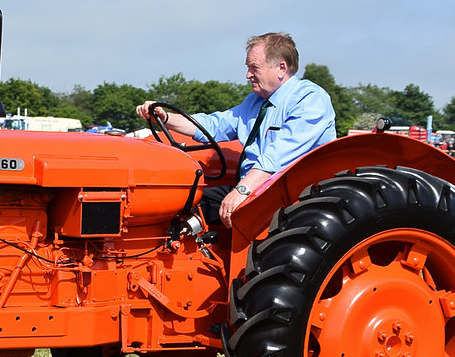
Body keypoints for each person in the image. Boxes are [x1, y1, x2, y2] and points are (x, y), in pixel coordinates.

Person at [136, 32, 335, 227]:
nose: (248, 75)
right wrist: (165, 117)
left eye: (254, 68)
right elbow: (214, 125)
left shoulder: (309, 99)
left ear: (281, 68)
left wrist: (242, 190)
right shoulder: (254, 102)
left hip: (294, 195)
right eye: (248, 68)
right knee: (181, 204)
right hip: (258, 190)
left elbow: (279, 155)